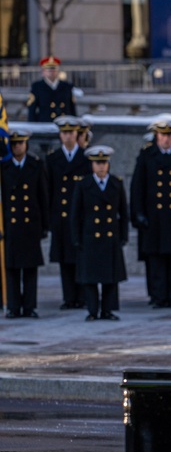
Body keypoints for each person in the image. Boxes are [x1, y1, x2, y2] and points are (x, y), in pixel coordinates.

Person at [129, 118, 171, 309]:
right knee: (155, 259)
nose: (166, 139)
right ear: (156, 136)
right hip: (153, 217)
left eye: (169, 135)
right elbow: (138, 187)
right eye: (162, 135)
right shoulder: (146, 156)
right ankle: (157, 296)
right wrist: (138, 213)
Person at [70, 146, 128, 322]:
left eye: (104, 163)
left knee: (110, 278)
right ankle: (93, 310)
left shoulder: (116, 184)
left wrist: (123, 236)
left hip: (110, 238)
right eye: (98, 163)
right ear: (92, 165)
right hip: (90, 237)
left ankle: (108, 310)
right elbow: (76, 214)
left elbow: (123, 213)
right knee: (91, 278)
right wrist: (77, 238)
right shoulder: (83, 184)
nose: (101, 167)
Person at [1, 130, 49, 319]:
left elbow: (42, 196)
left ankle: (29, 306)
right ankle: (13, 306)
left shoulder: (35, 165)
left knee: (30, 269)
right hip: (10, 225)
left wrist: (45, 225)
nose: (17, 147)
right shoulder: (3, 169)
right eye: (14, 144)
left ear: (26, 145)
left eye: (20, 143)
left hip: (31, 225)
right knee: (11, 268)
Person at [46, 115, 90, 310]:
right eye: (64, 133)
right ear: (60, 135)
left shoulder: (86, 158)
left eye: (71, 133)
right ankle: (68, 297)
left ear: (76, 134)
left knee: (80, 258)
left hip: (80, 217)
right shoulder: (53, 159)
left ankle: (82, 296)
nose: (68, 136)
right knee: (65, 260)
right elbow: (48, 190)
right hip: (61, 217)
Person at [27, 56, 76, 122]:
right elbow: (32, 109)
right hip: (45, 123)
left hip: (64, 124)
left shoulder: (67, 86)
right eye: (49, 70)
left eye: (54, 69)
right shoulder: (37, 86)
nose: (51, 72)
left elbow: (72, 107)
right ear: (43, 72)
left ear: (58, 71)